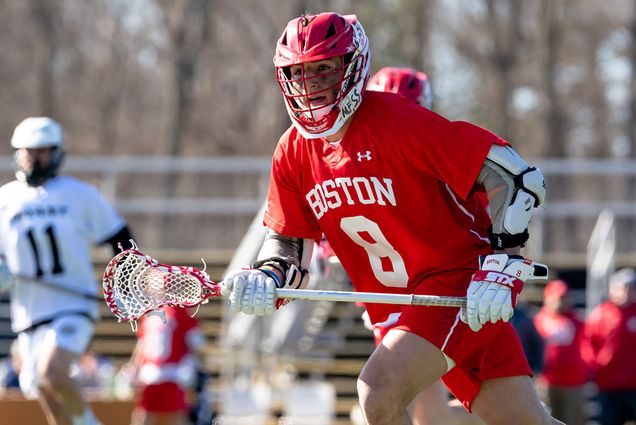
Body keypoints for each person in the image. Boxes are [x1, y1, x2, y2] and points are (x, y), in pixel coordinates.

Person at [220, 12, 558, 425]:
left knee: (377, 392)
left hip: (455, 289)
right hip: (396, 305)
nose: (310, 84)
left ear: (353, 65)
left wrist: (503, 264)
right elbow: (289, 245)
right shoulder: (292, 151)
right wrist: (267, 276)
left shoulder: (397, 122)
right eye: (299, 72)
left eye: (324, 68)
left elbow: (514, 176)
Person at [366, 66, 485, 425]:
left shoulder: (434, 151)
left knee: (404, 401)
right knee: (423, 409)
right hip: (389, 299)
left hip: (441, 294)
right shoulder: (354, 157)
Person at [0, 117, 134, 425]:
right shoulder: (6, 199)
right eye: (28, 151)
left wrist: (125, 281)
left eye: (43, 151)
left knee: (52, 371)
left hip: (72, 305)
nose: (35, 158)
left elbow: (119, 237)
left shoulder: (79, 194)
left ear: (57, 152)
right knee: (43, 387)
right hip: (29, 313)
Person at [128, 306, 206, 425]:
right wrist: (134, 367)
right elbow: (142, 345)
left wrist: (196, 367)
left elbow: (196, 344)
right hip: (150, 374)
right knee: (143, 415)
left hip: (172, 374)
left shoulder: (180, 312)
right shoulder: (148, 313)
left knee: (176, 415)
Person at [583, 268, 636, 425]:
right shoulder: (601, 314)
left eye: (630, 288)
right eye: (622, 287)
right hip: (608, 385)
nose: (626, 292)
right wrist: (594, 367)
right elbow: (587, 344)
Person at [533, 279, 588, 425]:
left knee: (571, 420)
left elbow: (588, 346)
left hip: (573, 382)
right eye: (557, 297)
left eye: (564, 297)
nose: (561, 301)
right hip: (546, 381)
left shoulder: (577, 321)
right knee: (545, 420)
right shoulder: (538, 320)